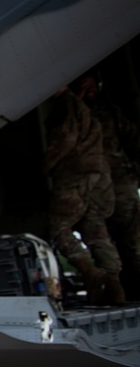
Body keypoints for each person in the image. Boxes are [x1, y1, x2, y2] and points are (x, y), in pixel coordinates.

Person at [42, 82, 125, 304]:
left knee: (59, 227)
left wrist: (47, 166)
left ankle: (90, 272)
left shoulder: (66, 106)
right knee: (95, 229)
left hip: (74, 173)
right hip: (98, 175)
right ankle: (114, 286)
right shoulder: (86, 110)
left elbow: (65, 139)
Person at [78, 72, 140, 301]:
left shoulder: (111, 112)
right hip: (91, 189)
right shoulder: (73, 116)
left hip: (120, 184)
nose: (90, 90)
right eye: (85, 86)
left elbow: (133, 140)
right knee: (102, 243)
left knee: (131, 243)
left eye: (92, 85)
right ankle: (118, 293)